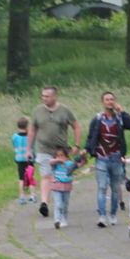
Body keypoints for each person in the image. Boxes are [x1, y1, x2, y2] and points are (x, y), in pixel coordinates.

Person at [84, 92, 130, 228]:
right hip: (101, 158)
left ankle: (113, 214)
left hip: (116, 158)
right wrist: (87, 150)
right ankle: (102, 216)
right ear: (102, 102)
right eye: (107, 100)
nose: (110, 102)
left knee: (115, 189)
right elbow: (90, 136)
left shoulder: (119, 118)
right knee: (102, 187)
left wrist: (123, 112)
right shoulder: (97, 119)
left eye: (112, 100)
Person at [26, 86, 81, 218]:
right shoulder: (38, 111)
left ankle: (61, 202)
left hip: (61, 150)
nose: (44, 98)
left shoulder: (64, 110)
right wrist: (28, 149)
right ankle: (44, 203)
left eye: (47, 96)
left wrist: (76, 145)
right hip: (43, 148)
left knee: (61, 176)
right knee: (46, 176)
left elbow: (76, 127)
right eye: (43, 96)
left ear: (55, 97)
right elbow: (32, 130)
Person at [11, 116, 36, 204]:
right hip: (29, 159)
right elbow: (33, 145)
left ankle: (22, 197)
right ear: (27, 126)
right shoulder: (31, 136)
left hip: (20, 159)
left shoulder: (14, 137)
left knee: (21, 179)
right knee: (31, 177)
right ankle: (32, 196)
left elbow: (14, 146)